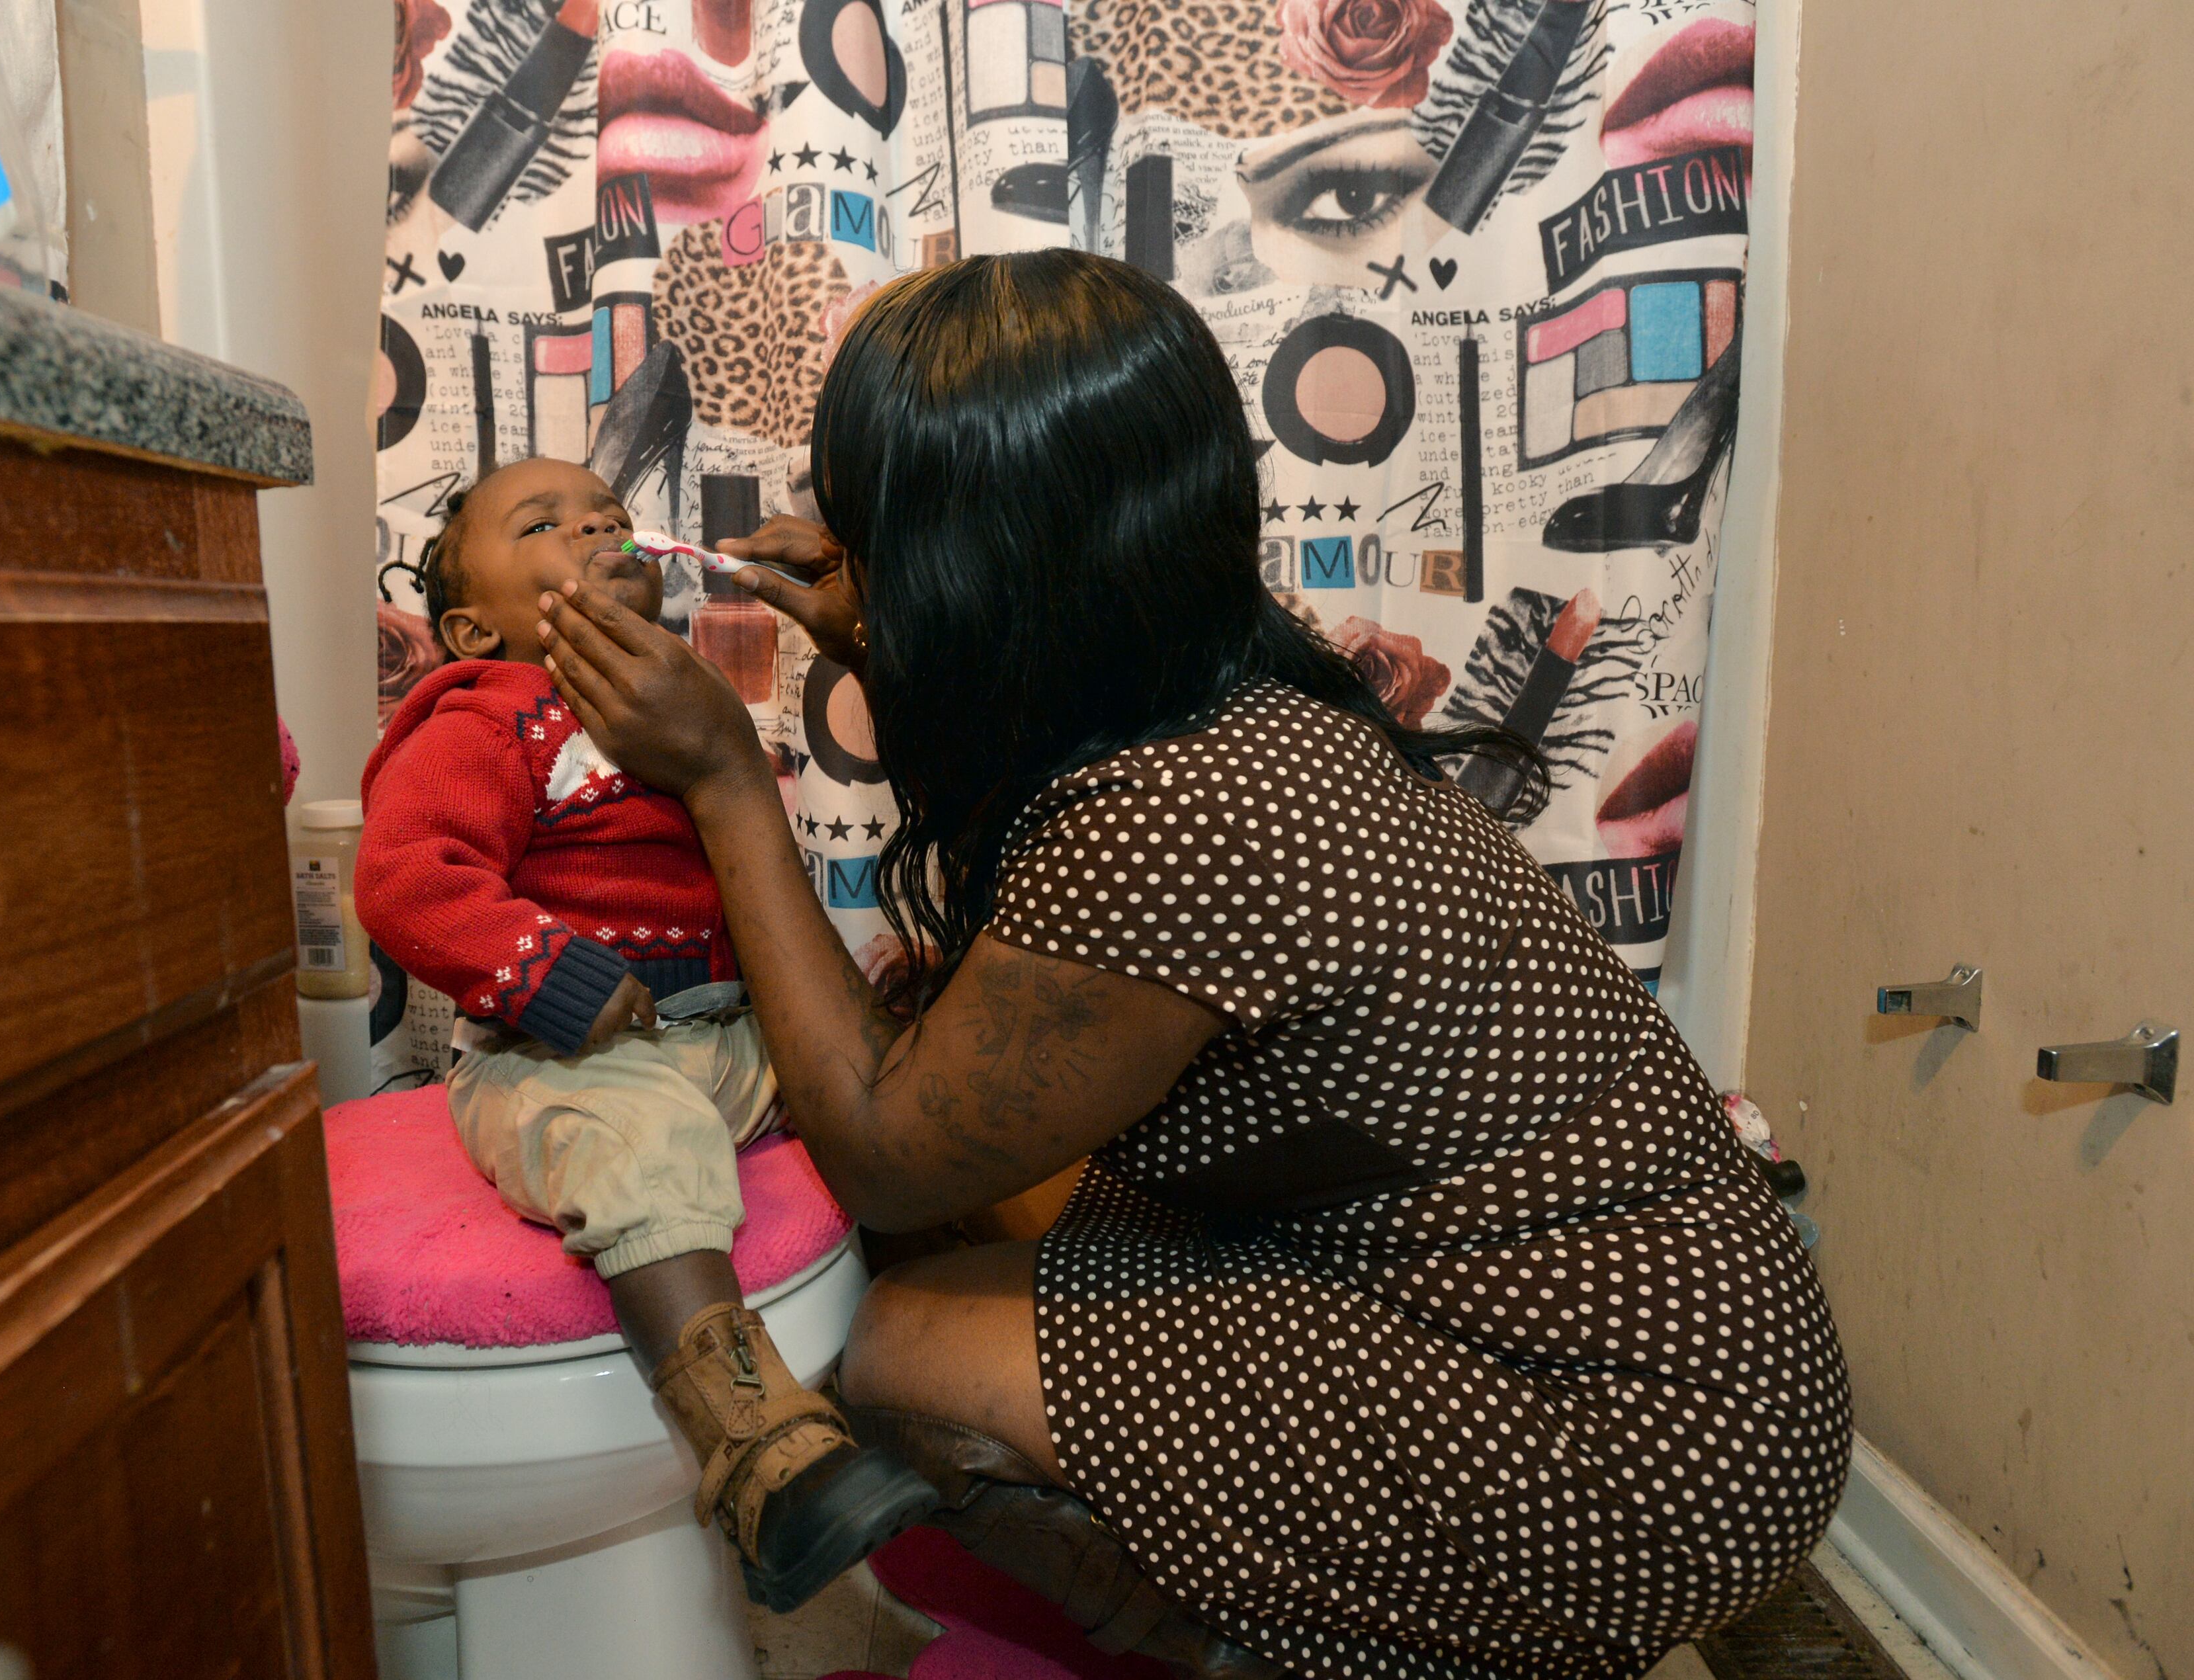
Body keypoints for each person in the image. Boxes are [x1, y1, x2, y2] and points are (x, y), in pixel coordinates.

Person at [531, 251, 1853, 1678]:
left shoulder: (1171, 822)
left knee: (902, 1343)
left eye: (875, 528)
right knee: (1019, 1199)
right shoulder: (1220, 704)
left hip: (1634, 1434)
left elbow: (884, 1157)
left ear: (984, 566)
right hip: (1633, 1322)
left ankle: (1236, 1653)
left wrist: (727, 776)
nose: (835, 542)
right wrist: (875, 622)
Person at [353, 455, 936, 1615]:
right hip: (573, 1056)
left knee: (881, 1084)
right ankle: (761, 1458)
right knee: (644, 1140)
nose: (597, 526)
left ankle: (903, 1411)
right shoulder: (485, 715)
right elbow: (408, 875)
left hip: (720, 1030)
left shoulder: (677, 696)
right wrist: (550, 977)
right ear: (475, 627)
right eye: (546, 524)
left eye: (609, 513)